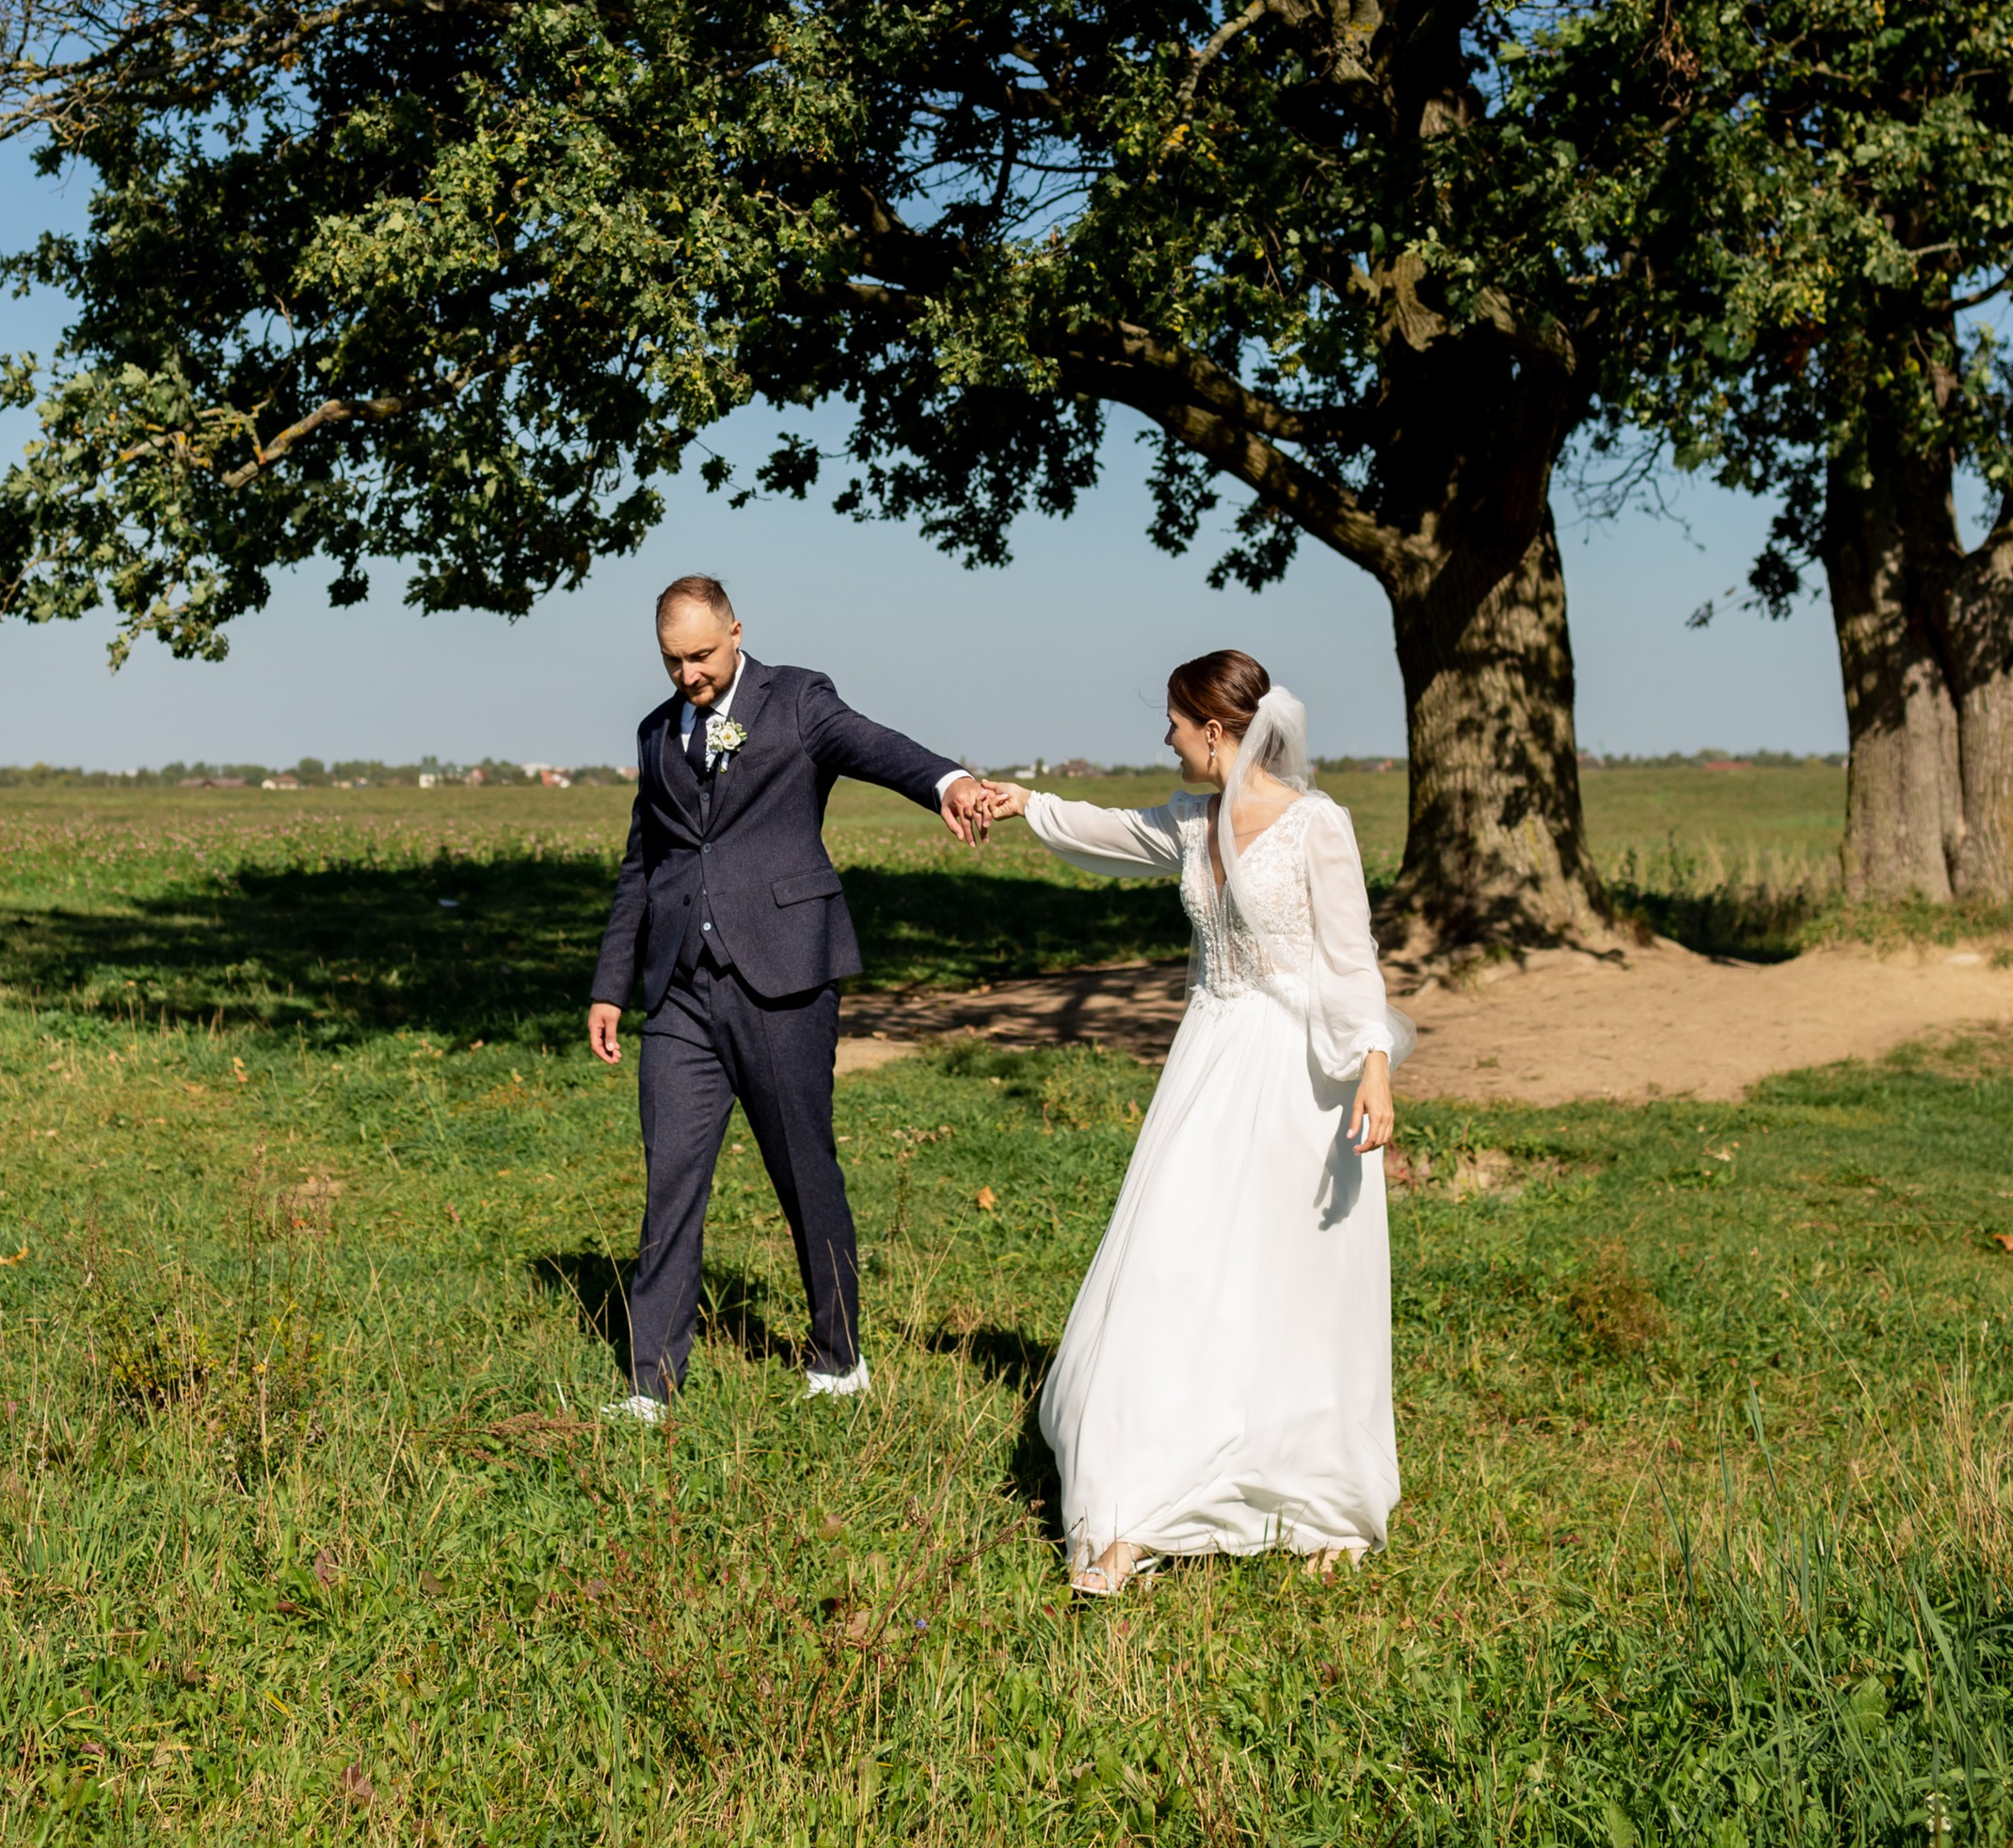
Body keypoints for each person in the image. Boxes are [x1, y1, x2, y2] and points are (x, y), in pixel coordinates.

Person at [983, 648, 1414, 1595]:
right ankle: (1128, 1509)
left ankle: (1314, 1497)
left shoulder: (1318, 828)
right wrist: (1021, 804)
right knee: (1168, 1270)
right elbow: (1099, 830)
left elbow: (1351, 961)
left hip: (1304, 1083)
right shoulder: (1187, 821)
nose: (1163, 737)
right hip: (1209, 1064)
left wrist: (1373, 1068)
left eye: (1173, 721)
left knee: (1291, 1287)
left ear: (1215, 729)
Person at [587, 576, 991, 1416]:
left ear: (736, 632)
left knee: (803, 1172)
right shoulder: (657, 733)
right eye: (673, 661)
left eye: (702, 655)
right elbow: (644, 864)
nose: (690, 675)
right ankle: (651, 1387)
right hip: (681, 998)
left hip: (784, 982)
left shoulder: (798, 699)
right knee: (671, 1179)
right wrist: (611, 987)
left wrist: (947, 782)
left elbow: (878, 747)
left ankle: (838, 1359)